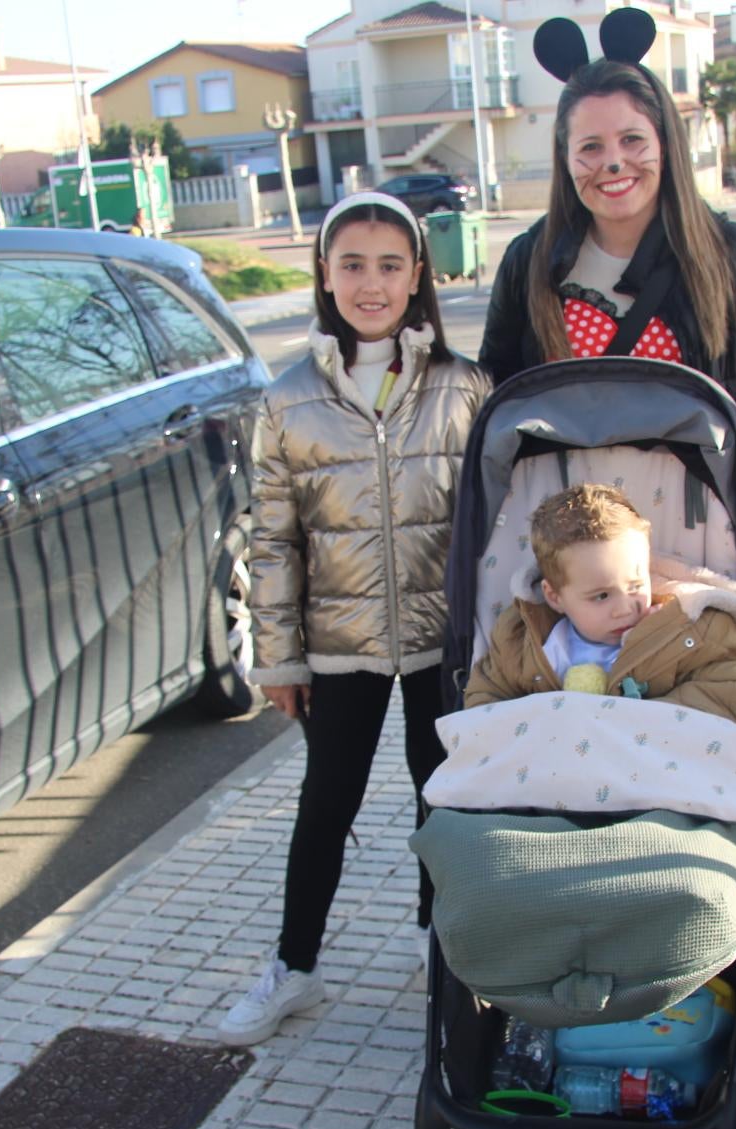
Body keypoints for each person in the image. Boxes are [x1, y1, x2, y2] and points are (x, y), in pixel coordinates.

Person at [217, 191, 491, 1047]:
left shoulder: (463, 386)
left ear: (418, 277)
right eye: (351, 265)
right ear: (325, 277)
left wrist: (493, 647)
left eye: (389, 265)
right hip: (338, 651)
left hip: (439, 646)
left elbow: (494, 528)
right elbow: (273, 541)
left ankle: (433, 938)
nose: (370, 284)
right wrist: (278, 660)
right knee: (325, 805)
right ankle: (294, 969)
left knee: (438, 798)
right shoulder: (288, 400)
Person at [477, 23, 736, 465]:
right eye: (590, 147)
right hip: (567, 520)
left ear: (664, 145)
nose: (613, 162)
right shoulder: (529, 261)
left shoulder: (731, 253)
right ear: (565, 157)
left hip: (696, 518)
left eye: (632, 140)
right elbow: (497, 383)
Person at [462, 484, 736, 722]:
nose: (625, 608)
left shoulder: (683, 629)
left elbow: (727, 681)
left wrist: (646, 721)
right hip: (553, 782)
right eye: (602, 596)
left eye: (635, 586)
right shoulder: (521, 641)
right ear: (555, 597)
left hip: (654, 774)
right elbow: (485, 698)